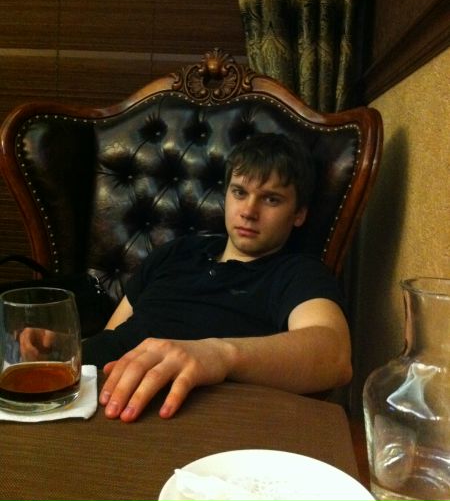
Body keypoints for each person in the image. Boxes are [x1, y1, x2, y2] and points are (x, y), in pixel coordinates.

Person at [82, 132, 352, 422]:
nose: (248, 211)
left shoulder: (297, 273)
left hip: (166, 414)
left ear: (299, 214)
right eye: (239, 192)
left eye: (271, 199)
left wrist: (219, 354)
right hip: (91, 388)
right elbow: (110, 337)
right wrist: (61, 348)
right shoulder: (176, 252)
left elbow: (334, 355)